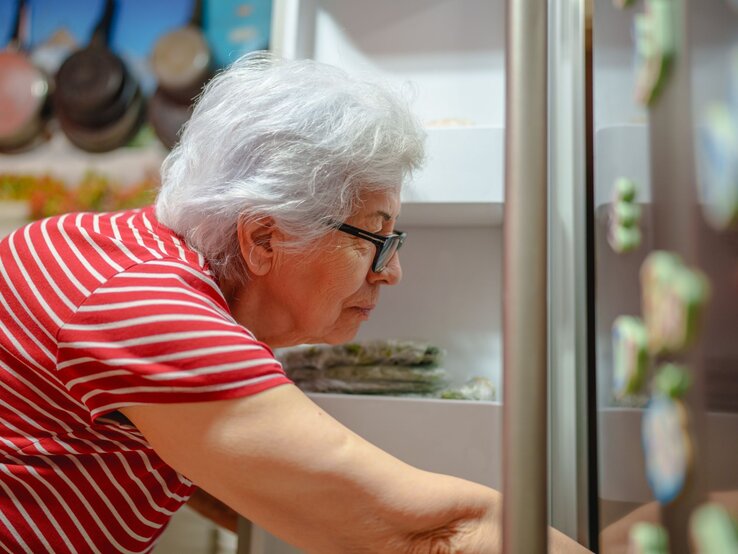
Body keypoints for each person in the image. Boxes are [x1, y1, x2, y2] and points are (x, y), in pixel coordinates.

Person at [0, 52, 589, 553]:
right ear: (263, 238)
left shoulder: (125, 255)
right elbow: (436, 532)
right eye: (377, 238)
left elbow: (191, 456)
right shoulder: (149, 310)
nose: (394, 272)